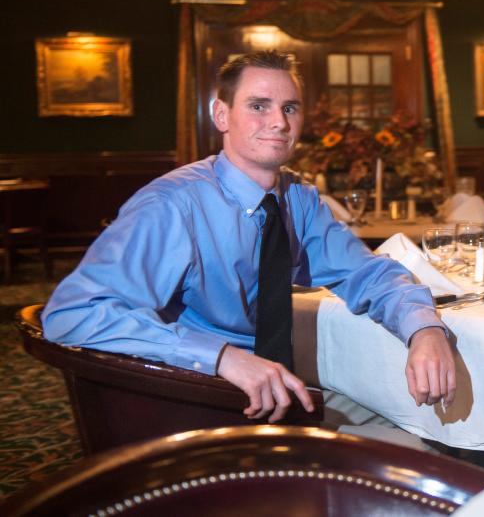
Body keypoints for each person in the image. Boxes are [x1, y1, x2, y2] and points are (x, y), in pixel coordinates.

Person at [42, 50, 456, 428]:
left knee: (426, 421)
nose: (279, 122)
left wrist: (424, 329)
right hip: (194, 396)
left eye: (289, 108)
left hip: (276, 385)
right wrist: (221, 357)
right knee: (411, 442)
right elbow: (71, 313)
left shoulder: (298, 199)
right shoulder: (172, 205)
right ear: (221, 115)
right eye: (259, 106)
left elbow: (367, 273)